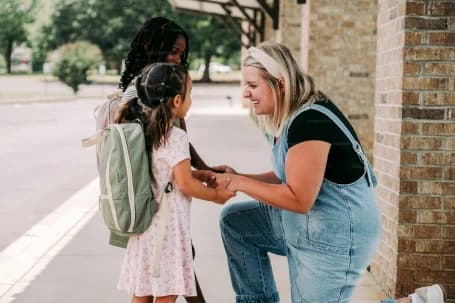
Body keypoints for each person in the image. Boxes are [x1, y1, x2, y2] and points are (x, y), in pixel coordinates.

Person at [215, 42, 446, 303]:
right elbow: (290, 175)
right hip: (310, 223)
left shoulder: (309, 122)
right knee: (237, 223)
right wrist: (238, 176)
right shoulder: (289, 115)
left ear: (280, 84)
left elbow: (299, 199)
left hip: (336, 235)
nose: (245, 94)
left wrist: (239, 183)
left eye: (252, 85)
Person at [116, 62, 235, 303]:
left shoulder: (145, 129)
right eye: (190, 94)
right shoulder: (175, 135)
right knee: (166, 292)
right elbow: (185, 185)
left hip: (146, 225)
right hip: (167, 230)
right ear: (178, 100)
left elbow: (164, 172)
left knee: (143, 291)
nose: (191, 100)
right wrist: (216, 197)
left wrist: (201, 174)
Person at [118, 17, 213, 303]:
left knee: (157, 281)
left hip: (156, 211)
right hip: (159, 209)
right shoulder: (150, 88)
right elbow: (169, 144)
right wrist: (214, 191)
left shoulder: (153, 90)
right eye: (172, 51)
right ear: (152, 47)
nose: (178, 58)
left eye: (181, 53)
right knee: (172, 278)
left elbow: (175, 141)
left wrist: (203, 167)